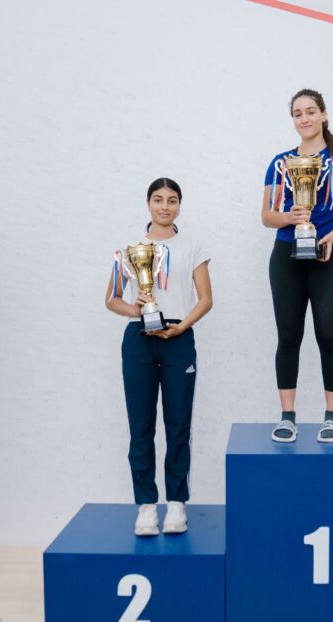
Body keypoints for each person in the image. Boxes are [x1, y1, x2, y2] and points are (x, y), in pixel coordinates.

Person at [105, 178, 212, 536]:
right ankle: (147, 506)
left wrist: (182, 327)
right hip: (139, 340)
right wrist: (136, 310)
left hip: (179, 339)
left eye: (172, 200)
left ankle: (177, 503)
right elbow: (112, 299)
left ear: (180, 205)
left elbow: (205, 299)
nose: (165, 206)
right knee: (141, 427)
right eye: (158, 199)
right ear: (148, 203)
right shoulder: (128, 248)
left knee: (178, 424)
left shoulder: (193, 247)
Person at [261, 88, 333, 443]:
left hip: (330, 254)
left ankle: (331, 416)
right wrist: (289, 217)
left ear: (323, 114)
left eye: (310, 111)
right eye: (298, 113)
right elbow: (267, 216)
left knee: (328, 334)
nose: (304, 118)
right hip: (286, 256)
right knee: (289, 336)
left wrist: (331, 236)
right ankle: (287, 417)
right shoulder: (280, 162)